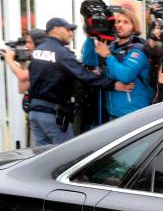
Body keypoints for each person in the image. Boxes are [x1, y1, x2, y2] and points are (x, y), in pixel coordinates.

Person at [28, 17, 133, 146]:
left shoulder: (37, 51)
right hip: (52, 116)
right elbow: (84, 76)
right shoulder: (61, 53)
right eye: (67, 30)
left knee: (42, 158)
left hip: (34, 114)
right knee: (65, 158)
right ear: (55, 30)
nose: (71, 33)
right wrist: (114, 85)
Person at [84, 3, 154, 119]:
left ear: (134, 27)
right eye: (118, 21)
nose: (120, 25)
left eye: (126, 22)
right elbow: (89, 62)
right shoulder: (111, 47)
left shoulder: (138, 49)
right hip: (112, 113)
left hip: (134, 115)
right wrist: (91, 36)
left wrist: (107, 55)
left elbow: (126, 75)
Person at [1, 28, 46, 93]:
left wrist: (10, 61)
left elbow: (22, 77)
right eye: (26, 42)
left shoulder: (44, 61)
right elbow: (22, 89)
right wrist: (22, 64)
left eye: (29, 42)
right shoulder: (34, 61)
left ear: (39, 43)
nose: (26, 45)